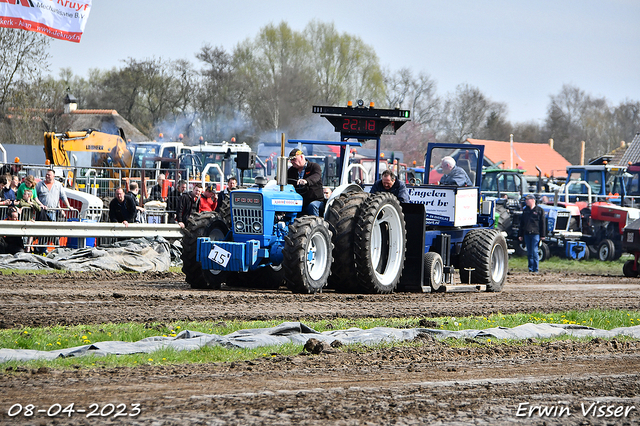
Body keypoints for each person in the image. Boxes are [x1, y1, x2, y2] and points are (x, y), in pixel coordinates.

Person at [286, 149, 324, 216]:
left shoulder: (314, 167)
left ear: (301, 157)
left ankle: (316, 224)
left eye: (294, 159)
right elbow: (285, 178)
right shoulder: (291, 171)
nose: (292, 162)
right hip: (299, 201)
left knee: (312, 206)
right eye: (291, 160)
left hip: (314, 200)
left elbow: (316, 176)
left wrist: (306, 181)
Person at [518, 194, 547, 273]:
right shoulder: (525, 210)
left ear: (532, 200)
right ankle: (530, 269)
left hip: (535, 234)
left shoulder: (539, 210)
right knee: (529, 252)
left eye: (527, 200)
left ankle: (536, 269)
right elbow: (522, 223)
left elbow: (542, 223)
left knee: (534, 251)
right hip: (527, 233)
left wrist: (542, 235)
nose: (526, 201)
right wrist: (520, 234)